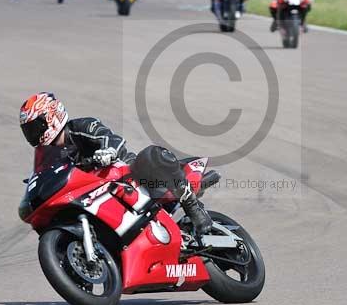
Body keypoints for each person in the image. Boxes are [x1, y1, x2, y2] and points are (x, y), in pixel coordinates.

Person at [18, 92, 212, 234]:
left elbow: (111, 138)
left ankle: (193, 208)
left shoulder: (81, 126)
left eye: (35, 127)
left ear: (51, 117)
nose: (33, 135)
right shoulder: (51, 155)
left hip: (128, 175)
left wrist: (108, 151)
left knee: (151, 155)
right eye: (29, 131)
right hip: (96, 194)